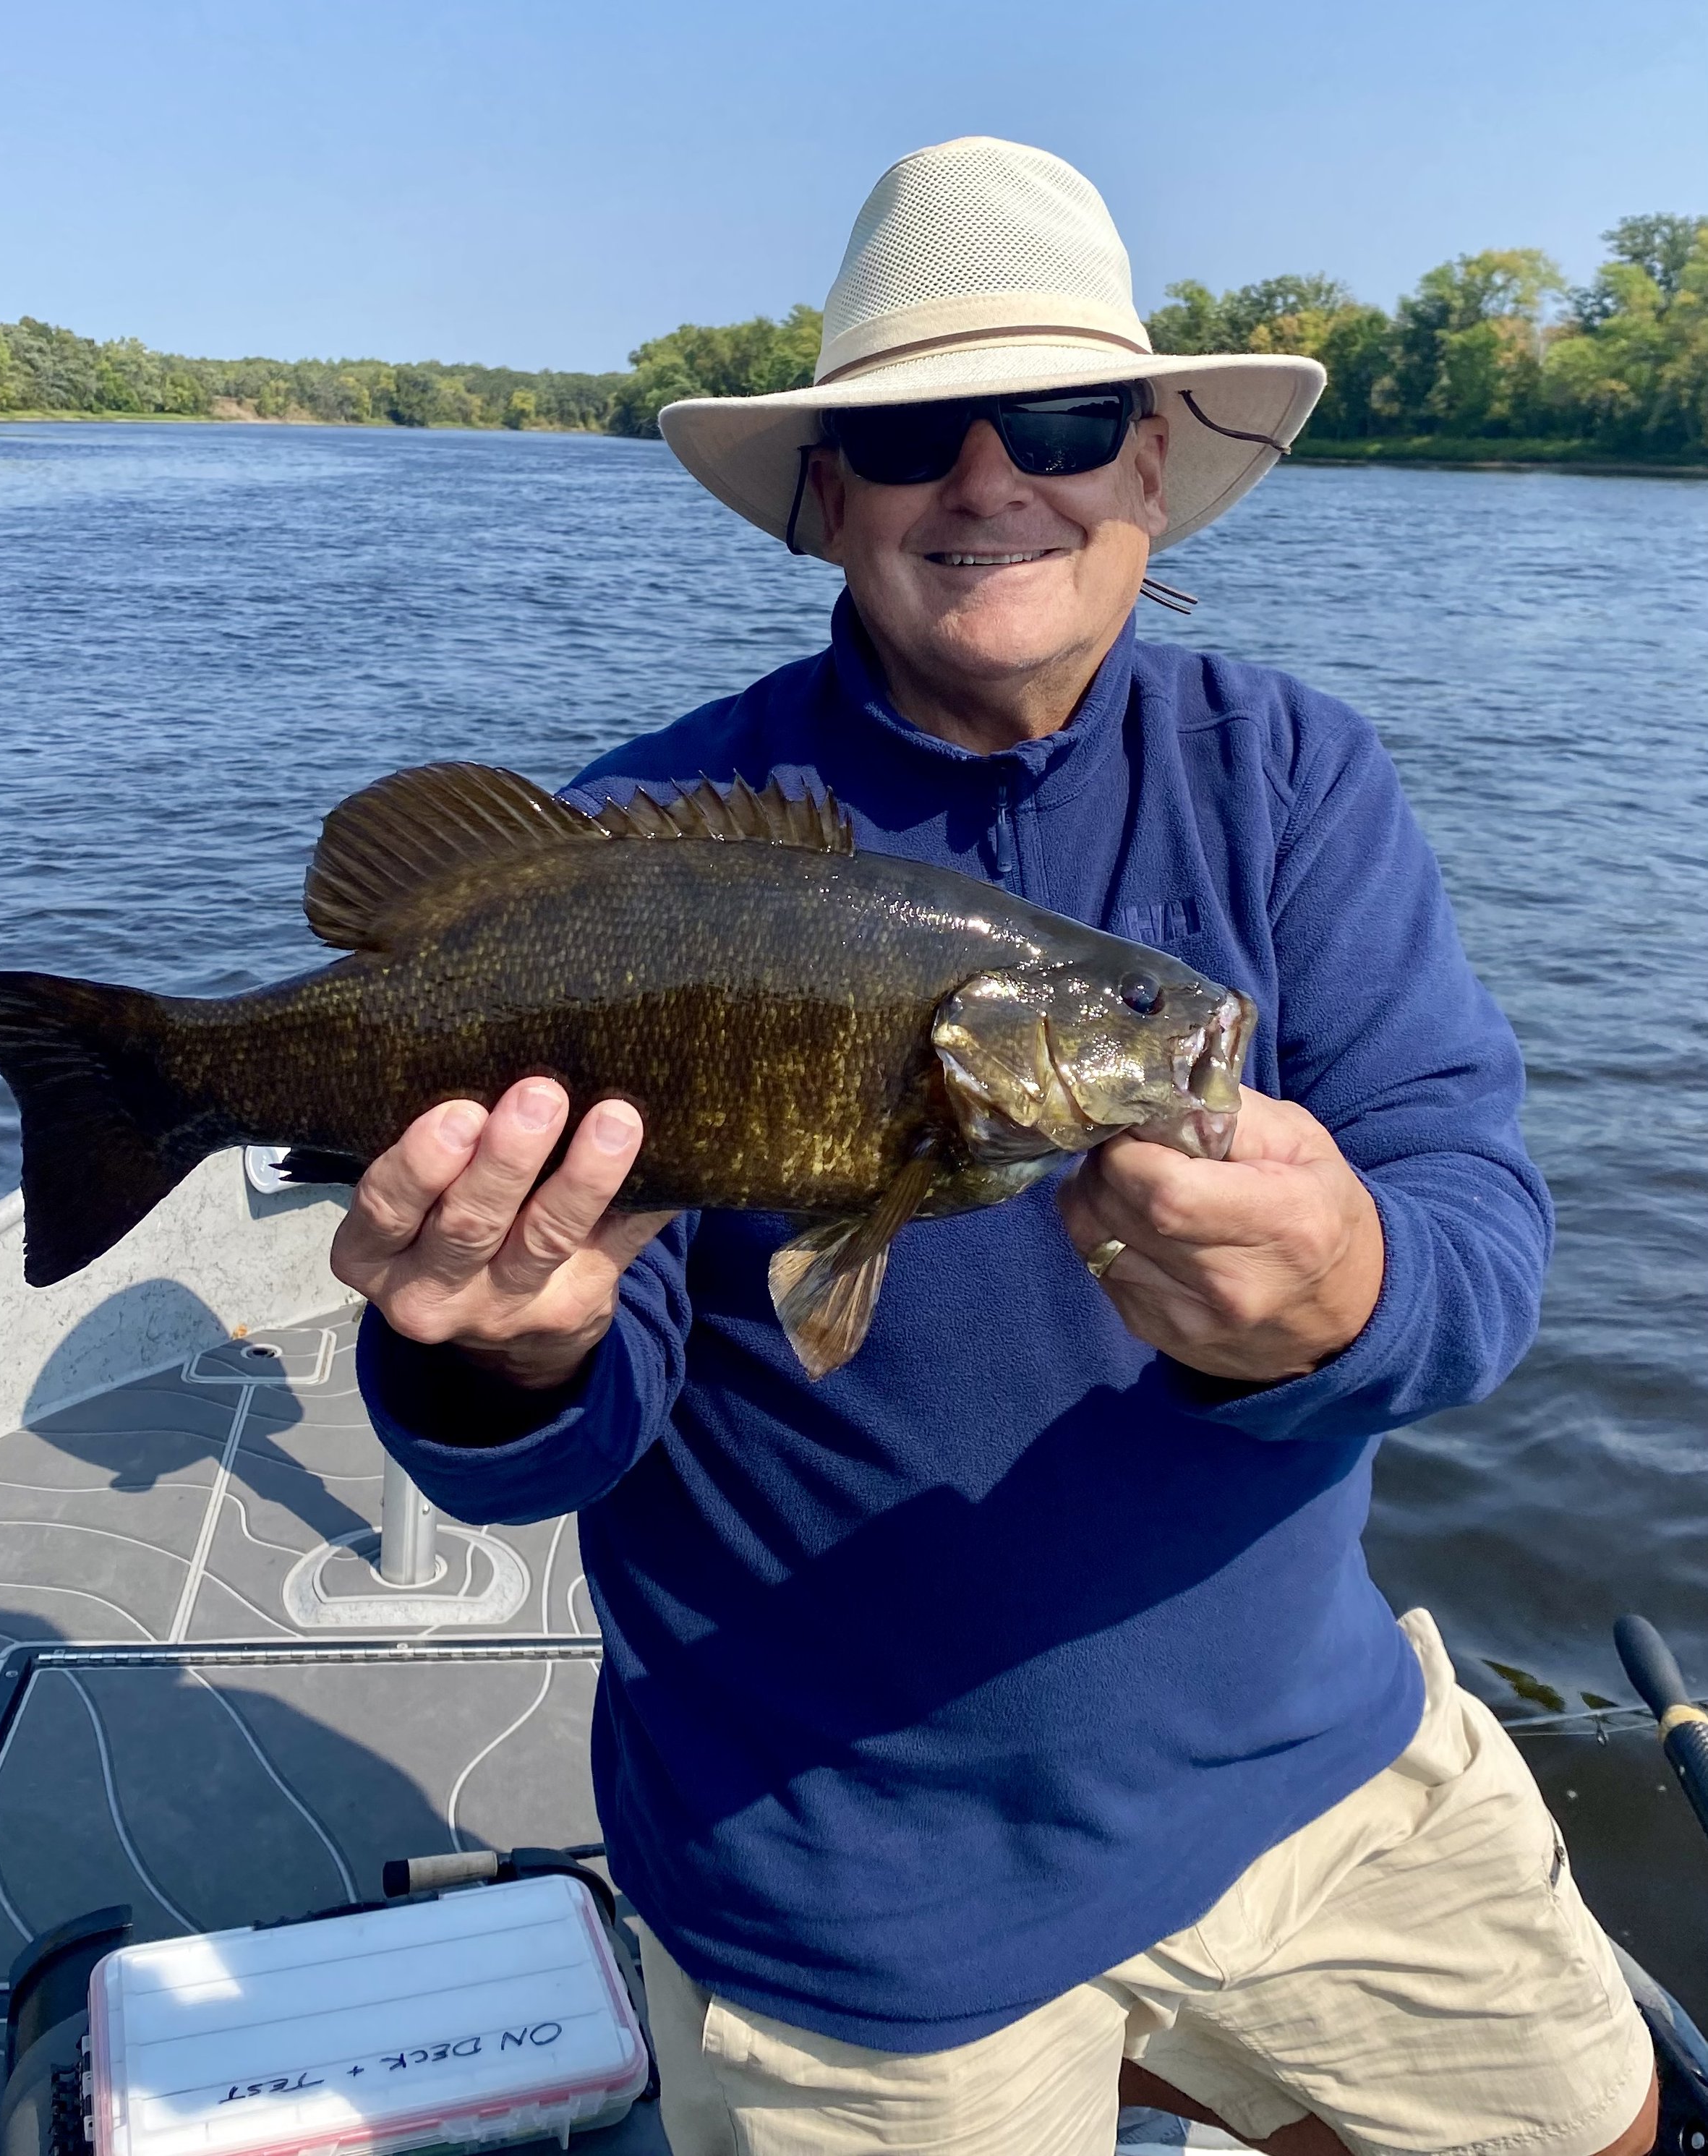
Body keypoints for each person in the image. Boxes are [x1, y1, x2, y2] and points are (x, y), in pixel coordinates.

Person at [339, 139, 1657, 2156]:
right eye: (905, 436)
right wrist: (502, 1349)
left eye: (1056, 423)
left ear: (1150, 468)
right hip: (845, 1878)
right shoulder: (634, 848)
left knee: (1601, 2126)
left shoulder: (1296, 776)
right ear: (826, 495)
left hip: (1314, 1767)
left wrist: (1348, 1294)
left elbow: (1470, 1215)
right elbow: (548, 1439)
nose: (986, 480)